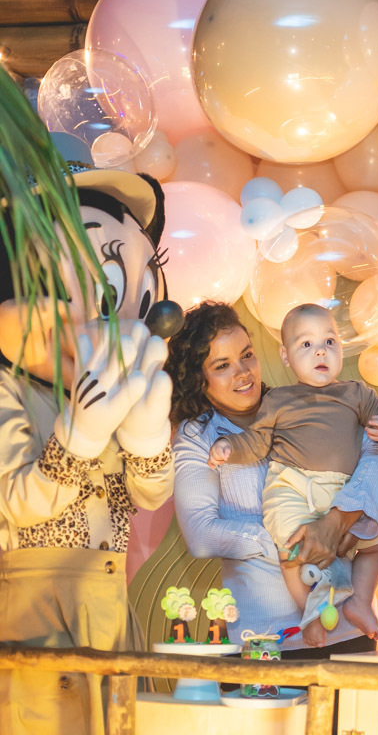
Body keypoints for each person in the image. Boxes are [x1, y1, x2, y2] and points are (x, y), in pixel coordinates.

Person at [0, 123, 178, 734]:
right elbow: (14, 503)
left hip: (110, 612)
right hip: (34, 620)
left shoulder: (118, 375)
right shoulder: (9, 385)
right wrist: (79, 431)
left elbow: (149, 495)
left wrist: (149, 436)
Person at [167, 301, 378, 655]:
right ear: (198, 379)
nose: (243, 372)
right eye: (222, 366)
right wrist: (287, 542)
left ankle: (357, 602)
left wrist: (336, 523)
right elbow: (201, 535)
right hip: (267, 639)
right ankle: (309, 614)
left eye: (247, 355)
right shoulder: (199, 437)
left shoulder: (304, 402)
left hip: (349, 629)